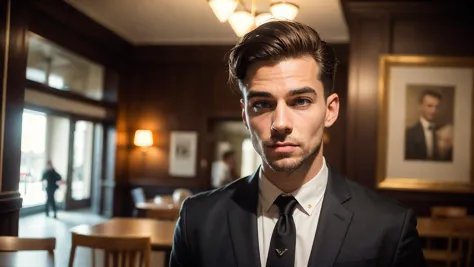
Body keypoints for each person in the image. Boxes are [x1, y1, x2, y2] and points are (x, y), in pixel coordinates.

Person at [170, 20, 425, 267]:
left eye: (301, 101)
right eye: (262, 104)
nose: (280, 123)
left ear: (330, 110)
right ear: (244, 115)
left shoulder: (389, 225)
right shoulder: (198, 218)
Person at [405, 89, 447, 160]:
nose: (433, 111)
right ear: (420, 107)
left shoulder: (443, 132)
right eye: (429, 106)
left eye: (436, 107)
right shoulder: (409, 133)